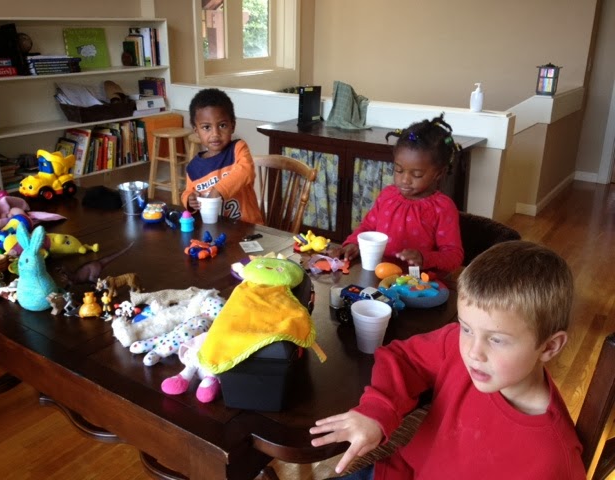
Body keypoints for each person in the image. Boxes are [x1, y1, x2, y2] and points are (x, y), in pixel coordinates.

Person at [310, 240, 585, 479]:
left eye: (497, 340)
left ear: (550, 347)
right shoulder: (459, 345)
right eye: (466, 328)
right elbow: (404, 357)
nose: (473, 352)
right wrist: (377, 410)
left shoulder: (552, 458)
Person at [337, 114, 463, 274]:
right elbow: (367, 227)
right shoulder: (387, 195)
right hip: (378, 274)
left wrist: (424, 258)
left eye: (417, 174)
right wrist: (353, 244)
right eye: (398, 170)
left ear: (439, 173)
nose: (404, 180)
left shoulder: (442, 208)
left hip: (416, 282)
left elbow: (453, 256)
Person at [181, 88, 263, 225]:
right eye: (206, 127)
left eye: (222, 125)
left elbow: (246, 171)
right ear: (196, 131)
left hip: (248, 227)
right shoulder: (194, 168)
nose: (215, 134)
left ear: (232, 126)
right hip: (215, 229)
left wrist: (218, 190)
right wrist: (189, 200)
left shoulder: (238, 149)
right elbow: (188, 191)